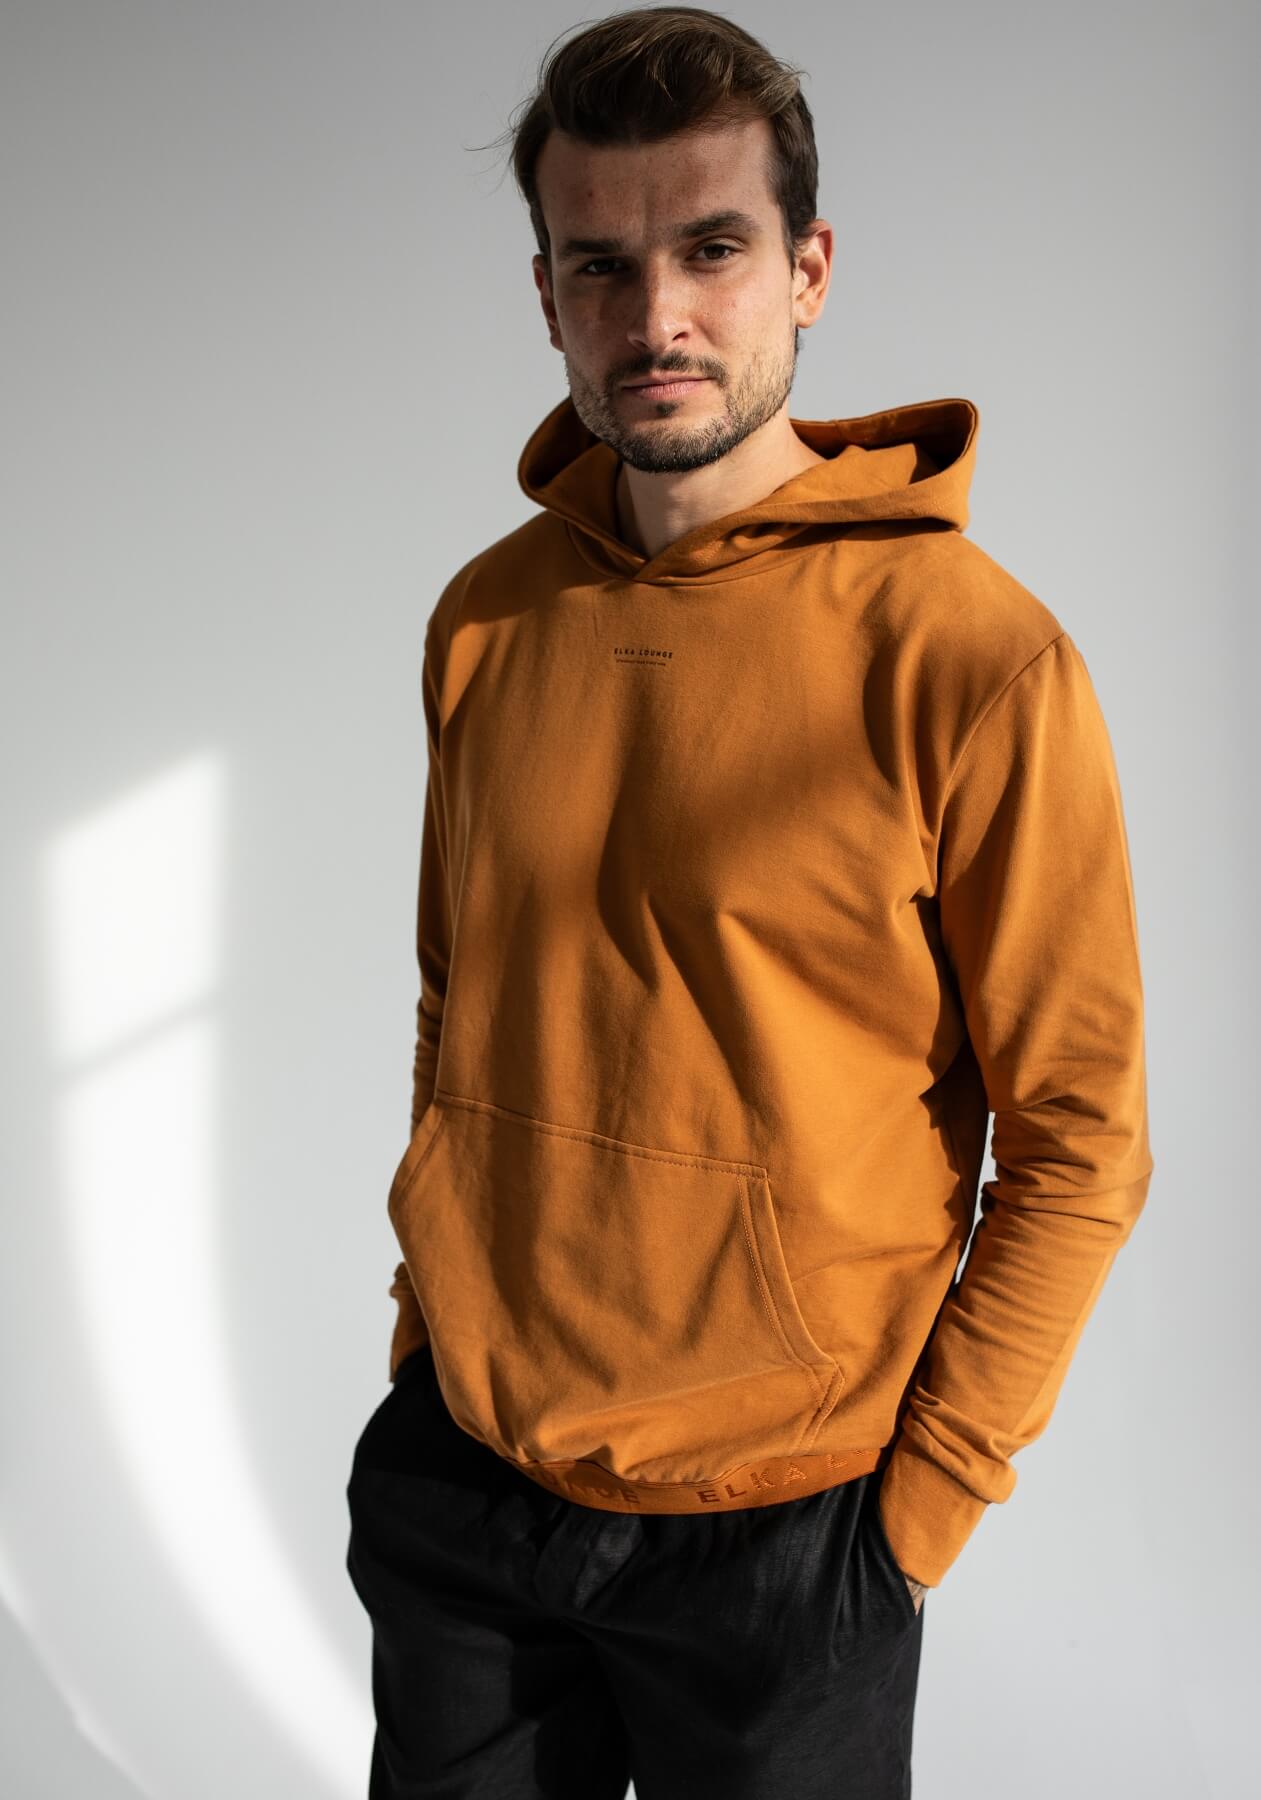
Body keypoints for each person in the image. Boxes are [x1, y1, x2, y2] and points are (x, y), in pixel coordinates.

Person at [345, 7, 1154, 1796]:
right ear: (546, 296)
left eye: (711, 250)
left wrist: (915, 1515)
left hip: (789, 1526)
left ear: (807, 270)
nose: (657, 316)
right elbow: (457, 998)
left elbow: (1081, 1138)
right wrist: (428, 1330)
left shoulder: (970, 658)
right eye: (600, 264)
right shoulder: (490, 616)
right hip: (469, 1481)